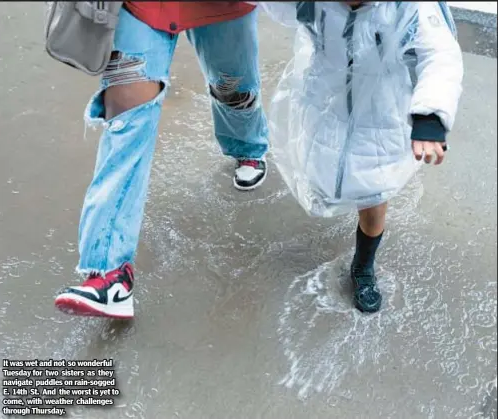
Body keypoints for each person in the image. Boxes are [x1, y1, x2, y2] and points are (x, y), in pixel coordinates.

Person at [54, 2, 269, 319]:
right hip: (142, 6)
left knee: (232, 87)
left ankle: (246, 147)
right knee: (126, 119)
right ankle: (109, 275)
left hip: (224, 6)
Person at [260, 1, 463, 312]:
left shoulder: (406, 7)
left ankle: (363, 266)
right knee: (326, 170)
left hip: (379, 116)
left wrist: (430, 116)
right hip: (326, 104)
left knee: (372, 192)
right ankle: (339, 194)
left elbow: (438, 55)